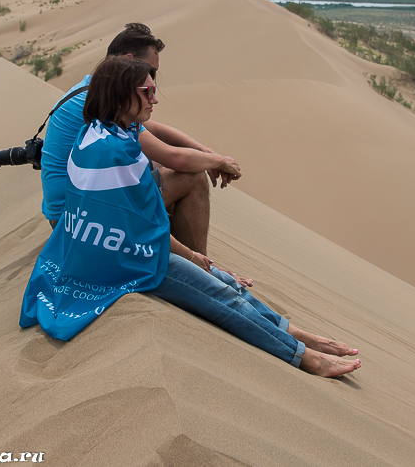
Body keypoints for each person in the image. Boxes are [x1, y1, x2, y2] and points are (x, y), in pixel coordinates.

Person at [21, 56, 361, 377]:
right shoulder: (116, 154)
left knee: (221, 280)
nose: (155, 99)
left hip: (106, 250)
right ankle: (303, 356)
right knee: (221, 294)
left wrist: (202, 256)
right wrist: (195, 256)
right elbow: (144, 232)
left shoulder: (105, 129)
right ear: (121, 95)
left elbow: (166, 168)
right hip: (119, 262)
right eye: (147, 92)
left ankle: (291, 332)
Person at [40, 23, 244, 279]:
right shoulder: (103, 104)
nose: (153, 82)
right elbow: (174, 157)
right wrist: (216, 161)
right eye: (149, 71)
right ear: (129, 61)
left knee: (154, 168)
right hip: (75, 224)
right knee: (190, 177)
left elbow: (153, 128)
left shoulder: (92, 89)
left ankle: (187, 255)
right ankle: (201, 268)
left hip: (75, 211)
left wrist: (206, 152)